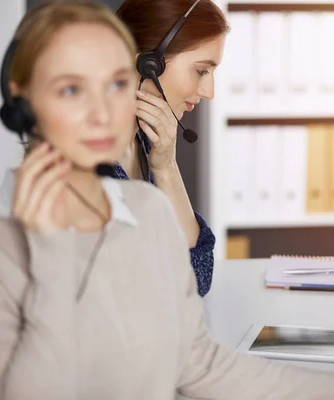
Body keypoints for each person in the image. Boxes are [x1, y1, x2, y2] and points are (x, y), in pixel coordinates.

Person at [0, 2, 334, 399]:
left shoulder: (146, 212)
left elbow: (197, 364)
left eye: (115, 84)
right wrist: (51, 255)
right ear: (21, 102)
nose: (101, 110)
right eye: (70, 89)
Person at [112, 0, 228, 297]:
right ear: (148, 63)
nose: (209, 92)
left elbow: (196, 278)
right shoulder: (87, 167)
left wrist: (166, 167)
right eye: (202, 71)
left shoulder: (138, 144)